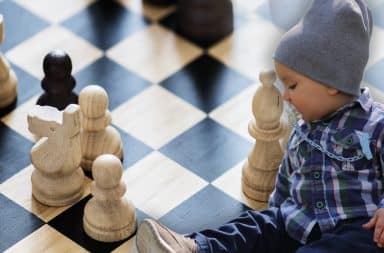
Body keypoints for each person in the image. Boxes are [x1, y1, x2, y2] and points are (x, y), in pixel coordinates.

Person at [135, 0, 384, 252]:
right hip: (298, 221)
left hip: (355, 229)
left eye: (293, 86)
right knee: (256, 225)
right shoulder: (301, 129)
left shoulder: (375, 124)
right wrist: (273, 219)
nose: (285, 96)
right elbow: (285, 182)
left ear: (333, 82)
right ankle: (197, 247)